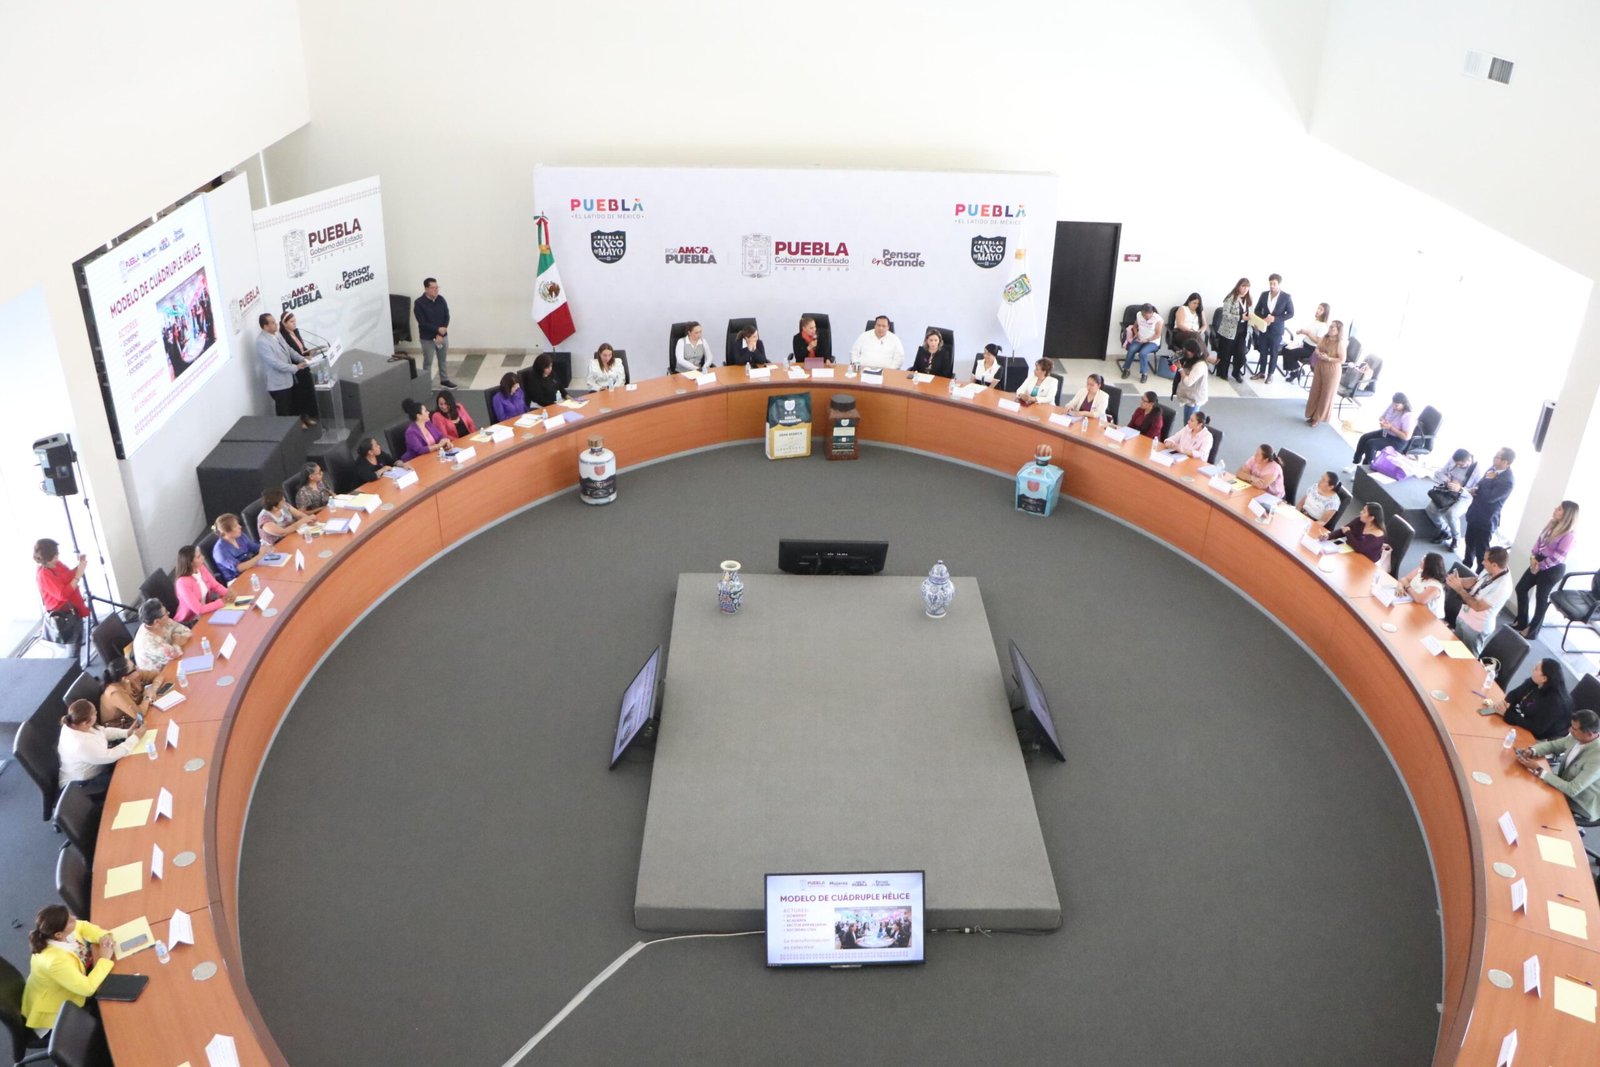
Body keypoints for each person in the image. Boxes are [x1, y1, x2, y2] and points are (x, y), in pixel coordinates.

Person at [20, 904, 117, 1033]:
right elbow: (87, 988)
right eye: (70, 920)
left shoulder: (61, 933)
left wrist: (103, 936)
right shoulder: (55, 961)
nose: (74, 918)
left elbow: (83, 926)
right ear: (58, 934)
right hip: (55, 1009)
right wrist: (104, 959)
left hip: (74, 980)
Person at [1514, 709, 1600, 822]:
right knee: (1525, 787)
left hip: (1580, 801)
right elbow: (1553, 745)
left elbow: (1572, 789)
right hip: (1563, 783)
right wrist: (1533, 750)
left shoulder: (1597, 757)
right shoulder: (1576, 737)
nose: (1570, 730)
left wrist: (1539, 770)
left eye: (1574, 729)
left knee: (1532, 804)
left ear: (1589, 734)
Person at [1511, 500, 1579, 638]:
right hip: (1538, 560)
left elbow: (1557, 558)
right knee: (1521, 588)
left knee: (1541, 598)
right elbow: (1539, 543)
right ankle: (1522, 621)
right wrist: (1533, 558)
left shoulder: (1569, 536)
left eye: (1559, 509)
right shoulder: (1552, 524)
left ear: (1567, 514)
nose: (1555, 509)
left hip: (1553, 568)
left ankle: (1532, 630)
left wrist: (1540, 566)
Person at [57, 698, 136, 792]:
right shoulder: (80, 745)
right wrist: (135, 738)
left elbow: (103, 732)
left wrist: (127, 733)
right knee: (128, 779)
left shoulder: (76, 723)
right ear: (85, 723)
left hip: (99, 765)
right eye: (94, 713)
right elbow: (109, 756)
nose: (96, 713)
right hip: (82, 785)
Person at [254, 313, 316, 429]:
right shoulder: (262, 342)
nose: (276, 324)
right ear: (265, 326)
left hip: (289, 379)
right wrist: (295, 367)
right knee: (284, 412)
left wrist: (302, 358)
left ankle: (300, 423)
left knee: (295, 405)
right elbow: (274, 363)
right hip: (278, 384)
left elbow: (289, 349)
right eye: (272, 323)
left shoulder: (277, 334)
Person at [1447, 546, 1512, 653]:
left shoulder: (1502, 587)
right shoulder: (1492, 569)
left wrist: (1459, 589)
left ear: (1495, 565)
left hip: (1476, 628)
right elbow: (1476, 580)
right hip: (1464, 616)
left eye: (1485, 560)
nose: (1482, 562)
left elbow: (1478, 606)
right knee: (1454, 648)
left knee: (1468, 657)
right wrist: (1458, 581)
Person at [1461, 447, 1516, 570]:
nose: (1494, 458)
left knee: (1482, 552)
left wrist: (1490, 480)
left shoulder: (1508, 481)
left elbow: (1490, 498)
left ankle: (1478, 575)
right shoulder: (1492, 469)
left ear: (1505, 462)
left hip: (1486, 520)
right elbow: (1481, 483)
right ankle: (1465, 567)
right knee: (1469, 543)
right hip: (1474, 514)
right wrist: (1475, 489)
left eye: (1497, 457)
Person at [1497, 658, 1576, 742]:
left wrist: (1508, 714)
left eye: (1536, 669)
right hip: (1526, 720)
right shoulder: (1536, 681)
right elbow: (1515, 694)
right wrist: (1505, 704)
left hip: (1543, 737)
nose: (1532, 669)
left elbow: (1536, 728)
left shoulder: (1554, 702)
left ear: (1544, 678)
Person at [1422, 449, 1480, 548]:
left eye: (1461, 465)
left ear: (1469, 461)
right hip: (1448, 491)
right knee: (1430, 509)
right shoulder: (1453, 461)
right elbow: (1440, 473)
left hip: (1464, 496)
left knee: (1451, 514)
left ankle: (1456, 539)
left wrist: (1460, 488)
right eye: (1456, 464)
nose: (1458, 466)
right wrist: (1448, 481)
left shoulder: (1476, 471)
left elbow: (1474, 491)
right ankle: (1445, 530)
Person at [1347, 392, 1415, 469]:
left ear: (1404, 404)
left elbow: (1406, 437)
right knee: (1364, 437)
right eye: (1393, 404)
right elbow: (1382, 417)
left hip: (1397, 441)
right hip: (1386, 432)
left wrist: (1391, 428)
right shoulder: (1392, 406)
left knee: (1371, 444)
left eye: (1396, 405)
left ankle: (1366, 468)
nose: (1394, 407)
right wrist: (1383, 422)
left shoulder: (1408, 416)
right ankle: (1355, 462)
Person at [34, 537, 88, 633]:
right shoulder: (43, 574)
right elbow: (63, 595)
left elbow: (69, 576)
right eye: (55, 554)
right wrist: (78, 576)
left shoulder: (55, 563)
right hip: (64, 615)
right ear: (48, 558)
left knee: (79, 635)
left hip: (72, 607)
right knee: (74, 639)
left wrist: (80, 566)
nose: (58, 555)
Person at [1250, 273, 1294, 382]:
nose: (1272, 286)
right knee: (1263, 352)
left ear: (1279, 284)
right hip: (1264, 328)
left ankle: (1270, 374)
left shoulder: (1286, 297)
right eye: (1270, 283)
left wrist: (1275, 319)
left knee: (1274, 353)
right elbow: (1257, 310)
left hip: (1276, 330)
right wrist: (1263, 319)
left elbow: (1290, 313)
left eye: (1274, 284)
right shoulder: (1264, 294)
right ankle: (1261, 372)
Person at [1303, 319, 1348, 427]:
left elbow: (1342, 359)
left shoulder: (1340, 343)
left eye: (1333, 327)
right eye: (1330, 326)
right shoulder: (1325, 337)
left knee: (1326, 394)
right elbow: (1317, 348)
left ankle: (1318, 418)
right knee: (1315, 391)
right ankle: (1312, 414)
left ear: (1338, 330)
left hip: (1332, 369)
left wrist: (1328, 358)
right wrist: (1318, 353)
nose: (1330, 329)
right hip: (1320, 366)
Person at [278, 311, 321, 422]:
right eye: (291, 322)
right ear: (284, 323)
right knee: (302, 393)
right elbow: (291, 354)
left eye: (295, 321)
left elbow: (302, 348)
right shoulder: (283, 337)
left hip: (305, 363)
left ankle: (312, 414)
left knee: (310, 390)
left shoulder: (296, 331)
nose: (294, 323)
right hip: (297, 368)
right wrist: (304, 357)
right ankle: (305, 416)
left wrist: (309, 352)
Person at [414, 277, 456, 388]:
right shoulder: (419, 303)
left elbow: (446, 316)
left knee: (442, 360)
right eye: (433, 288)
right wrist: (437, 330)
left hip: (442, 337)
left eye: (437, 287)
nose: (436, 290)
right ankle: (426, 385)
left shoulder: (441, 299)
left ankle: (444, 380)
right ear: (426, 289)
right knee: (428, 362)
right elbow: (422, 323)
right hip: (427, 339)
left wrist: (441, 333)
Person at [132, 598, 190, 672]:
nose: (168, 613)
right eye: (166, 613)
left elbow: (186, 631)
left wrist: (175, 645)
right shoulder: (148, 643)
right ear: (156, 622)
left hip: (172, 662)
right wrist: (176, 642)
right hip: (159, 674)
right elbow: (175, 654)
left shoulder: (162, 621)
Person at [98, 656, 158, 729]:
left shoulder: (132, 676)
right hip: (123, 728)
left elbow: (157, 674)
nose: (138, 669)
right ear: (124, 678)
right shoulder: (114, 692)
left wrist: (153, 688)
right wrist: (147, 696)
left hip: (138, 716)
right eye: (134, 668)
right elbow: (139, 716)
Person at [174, 544, 228, 623]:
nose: (203, 557)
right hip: (191, 621)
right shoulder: (182, 583)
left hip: (207, 612)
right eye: (199, 557)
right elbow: (199, 609)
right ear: (190, 563)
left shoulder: (201, 568)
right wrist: (222, 602)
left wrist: (228, 593)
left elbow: (215, 586)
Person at [1281, 302, 1329, 383]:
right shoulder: (1315, 321)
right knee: (1285, 348)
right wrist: (1301, 332)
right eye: (1318, 308)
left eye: (1321, 309)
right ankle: (1296, 370)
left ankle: (1295, 372)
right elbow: (1308, 333)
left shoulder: (1323, 326)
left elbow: (1318, 341)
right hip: (1304, 344)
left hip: (1311, 349)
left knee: (1290, 352)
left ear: (1325, 313)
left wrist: (1308, 333)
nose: (1318, 310)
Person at [1215, 278, 1252, 382]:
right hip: (1229, 331)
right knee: (1226, 354)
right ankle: (1223, 373)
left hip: (1242, 332)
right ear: (1238, 286)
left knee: (1241, 354)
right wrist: (1240, 317)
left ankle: (1236, 372)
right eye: (1243, 286)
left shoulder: (1248, 300)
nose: (1245, 289)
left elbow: (1251, 314)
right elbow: (1225, 314)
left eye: (1247, 287)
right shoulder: (1230, 298)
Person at [1119, 304, 1163, 383]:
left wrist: (1147, 340)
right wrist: (1136, 334)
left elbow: (1158, 334)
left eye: (1146, 316)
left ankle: (1144, 374)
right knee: (1131, 349)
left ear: (1152, 313)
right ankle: (1126, 369)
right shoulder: (1139, 314)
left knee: (1143, 353)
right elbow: (1135, 326)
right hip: (1140, 339)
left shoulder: (1158, 319)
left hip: (1152, 341)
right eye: (1143, 315)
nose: (1144, 317)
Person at [210, 513, 260, 582]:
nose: (240, 527)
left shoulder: (240, 536)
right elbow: (239, 568)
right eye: (236, 526)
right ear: (226, 532)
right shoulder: (220, 551)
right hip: (236, 580)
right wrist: (260, 556)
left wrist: (267, 548)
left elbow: (254, 547)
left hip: (251, 569)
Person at [1399, 552, 1449, 618]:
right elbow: (1404, 579)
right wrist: (1400, 587)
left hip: (1430, 617)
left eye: (1424, 560)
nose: (1421, 560)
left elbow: (1420, 599)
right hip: (1413, 605)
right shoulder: (1420, 570)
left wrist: (1407, 586)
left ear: (1429, 566)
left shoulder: (1435, 586)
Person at [1174, 340, 1210, 424]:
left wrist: (1180, 369)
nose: (1185, 353)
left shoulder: (1200, 366)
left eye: (1186, 351)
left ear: (1193, 352)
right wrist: (1177, 357)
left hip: (1194, 399)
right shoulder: (1191, 360)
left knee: (1190, 424)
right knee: (1187, 422)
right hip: (1188, 397)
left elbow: (1188, 382)